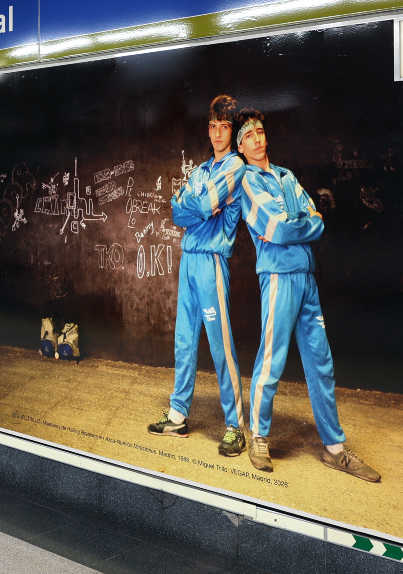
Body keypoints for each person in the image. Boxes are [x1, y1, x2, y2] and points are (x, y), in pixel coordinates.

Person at [235, 110, 380, 482]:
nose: (257, 139)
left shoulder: (285, 176)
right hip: (279, 277)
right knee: (272, 360)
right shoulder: (247, 181)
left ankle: (335, 450)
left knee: (322, 363)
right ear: (240, 145)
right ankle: (259, 439)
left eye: (261, 132)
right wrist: (300, 220)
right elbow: (279, 229)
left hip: (306, 277)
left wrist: (299, 221)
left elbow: (317, 221)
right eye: (249, 135)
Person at [147, 95, 248, 458]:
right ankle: (178, 416)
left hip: (211, 262)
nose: (218, 133)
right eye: (213, 126)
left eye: (225, 127)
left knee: (220, 345)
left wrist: (198, 205)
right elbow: (178, 211)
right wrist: (198, 206)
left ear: (232, 131)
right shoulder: (204, 170)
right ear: (208, 129)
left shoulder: (236, 166)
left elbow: (201, 205)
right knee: (184, 340)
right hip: (189, 259)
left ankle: (235, 426)